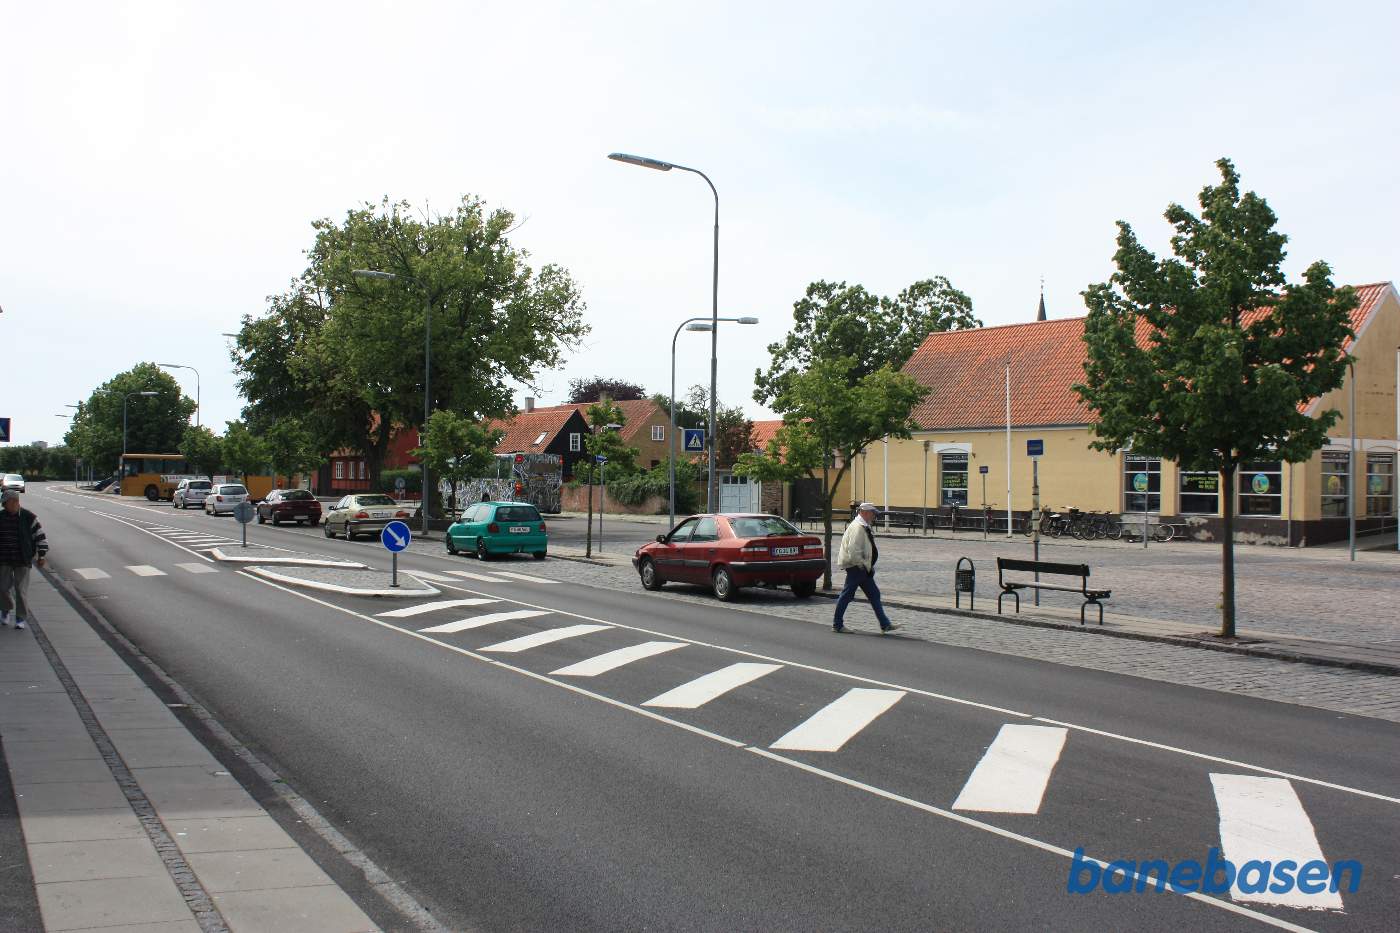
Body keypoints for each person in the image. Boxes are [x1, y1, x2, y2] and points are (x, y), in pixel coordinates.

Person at [833, 502, 897, 634]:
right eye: (873, 513)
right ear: (865, 512)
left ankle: (885, 624)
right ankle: (837, 624)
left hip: (861, 567)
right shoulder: (857, 528)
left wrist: (866, 566)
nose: (874, 516)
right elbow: (853, 550)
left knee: (873, 594)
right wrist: (863, 565)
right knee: (847, 595)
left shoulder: (862, 526)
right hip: (857, 567)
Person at [0, 489, 47, 631]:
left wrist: (42, 555)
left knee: (21, 590)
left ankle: (20, 618)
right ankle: (5, 609)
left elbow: (40, 536)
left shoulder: (29, 517)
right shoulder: (0, 517)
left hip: (22, 559)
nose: (4, 505)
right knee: (2, 588)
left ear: (15, 502)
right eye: (3, 503)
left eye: (6, 503)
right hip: (3, 559)